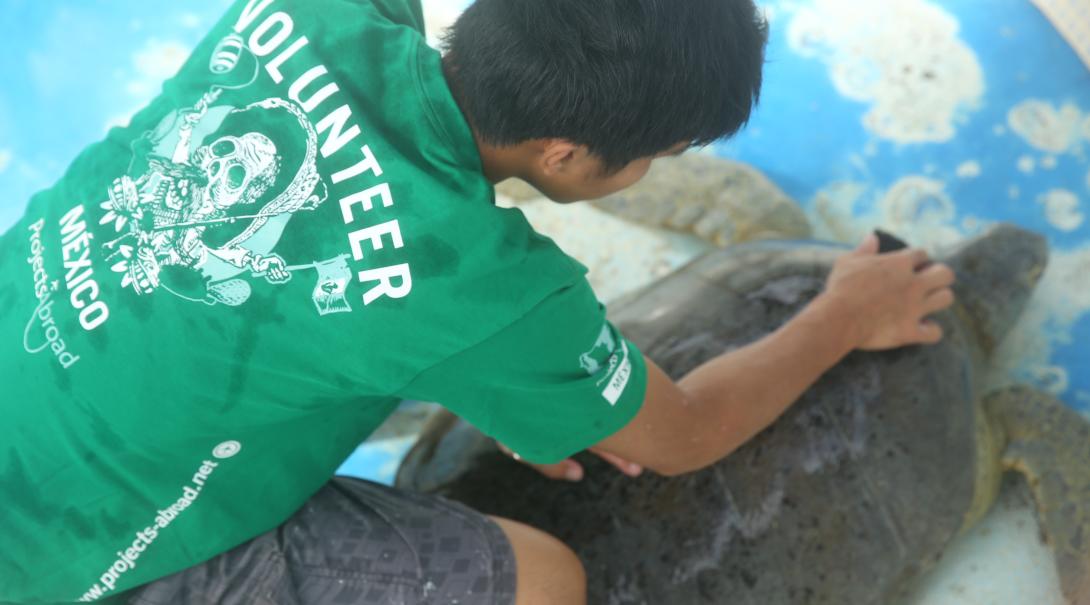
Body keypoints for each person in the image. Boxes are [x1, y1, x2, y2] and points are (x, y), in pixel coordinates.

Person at [0, 0, 956, 603]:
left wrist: (504, 382)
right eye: (658, 156)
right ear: (567, 157)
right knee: (547, 583)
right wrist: (845, 312)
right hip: (71, 558)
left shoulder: (310, 14)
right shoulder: (489, 286)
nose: (654, 170)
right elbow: (691, 430)